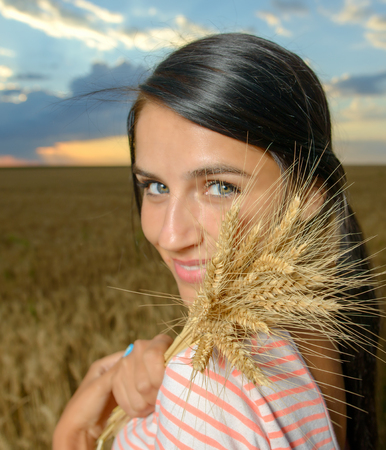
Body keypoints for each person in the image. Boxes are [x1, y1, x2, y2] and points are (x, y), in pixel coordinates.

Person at [53, 33, 379, 450]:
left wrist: (72, 438)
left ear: (310, 196)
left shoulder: (210, 385)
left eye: (221, 187)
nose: (169, 236)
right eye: (154, 186)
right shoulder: (315, 339)